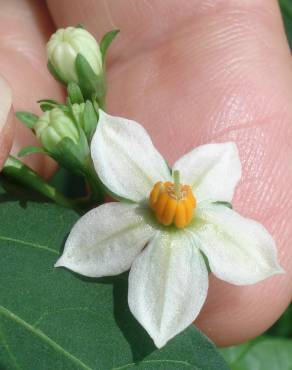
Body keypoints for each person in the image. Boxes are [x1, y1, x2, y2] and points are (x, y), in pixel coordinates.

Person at [0, 0, 291, 347]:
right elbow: (86, 246)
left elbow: (253, 255)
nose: (173, 195)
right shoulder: (119, 150)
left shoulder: (212, 169)